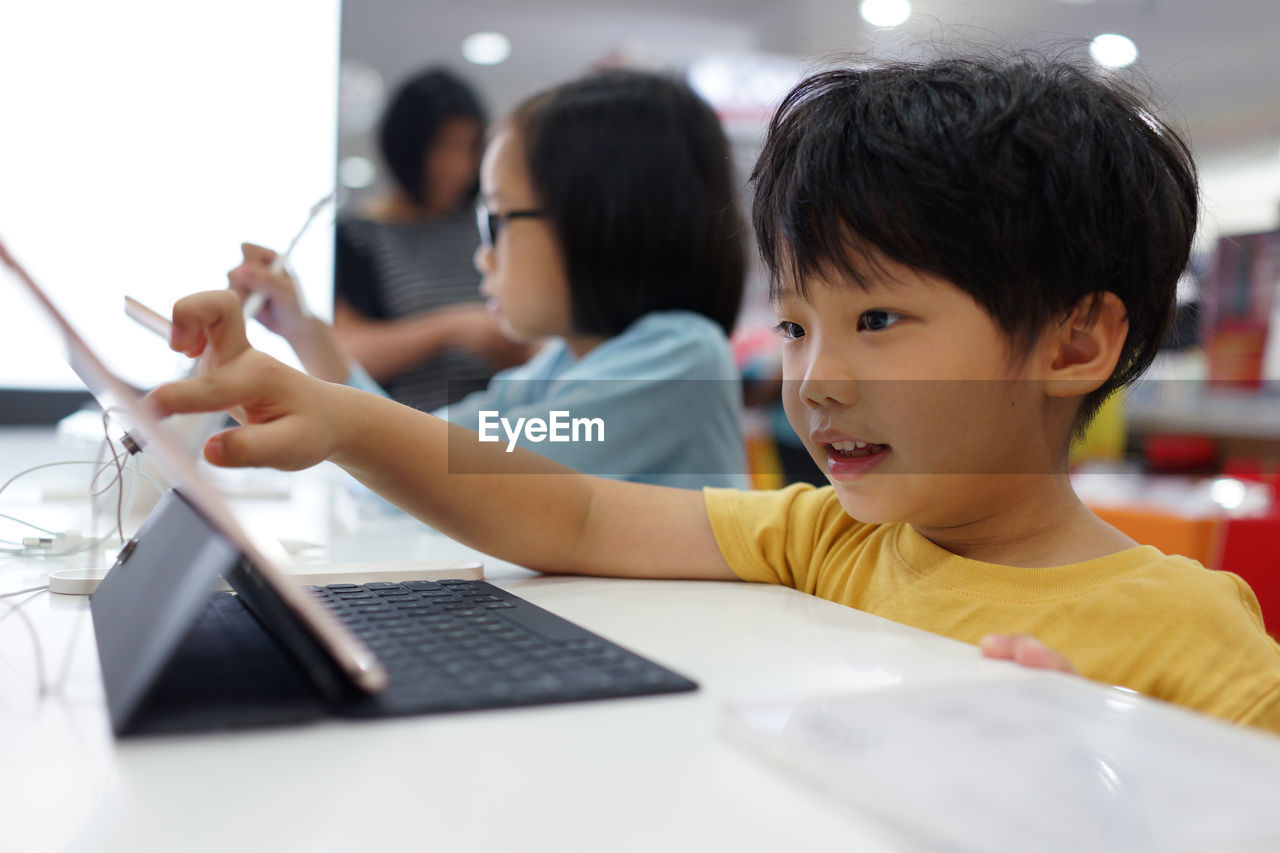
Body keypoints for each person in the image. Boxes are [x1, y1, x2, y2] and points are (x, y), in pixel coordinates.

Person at [149, 52, 1280, 732]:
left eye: (875, 321)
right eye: (793, 326)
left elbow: (499, 465)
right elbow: (537, 488)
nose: (812, 378)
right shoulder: (828, 533)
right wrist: (334, 404)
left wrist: (1126, 781)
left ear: (1074, 341)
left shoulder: (1191, 638)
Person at [228, 70, 750, 488]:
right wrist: (304, 333)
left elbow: (452, 468)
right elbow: (437, 446)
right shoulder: (565, 363)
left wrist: (317, 402)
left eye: (496, 220)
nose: (482, 256)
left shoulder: (680, 357)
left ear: (595, 223)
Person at [233, 66, 528, 412]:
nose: (458, 165)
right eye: (444, 146)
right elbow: (351, 351)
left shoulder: (481, 227)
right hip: (417, 421)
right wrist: (453, 329)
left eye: (469, 148)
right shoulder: (360, 236)